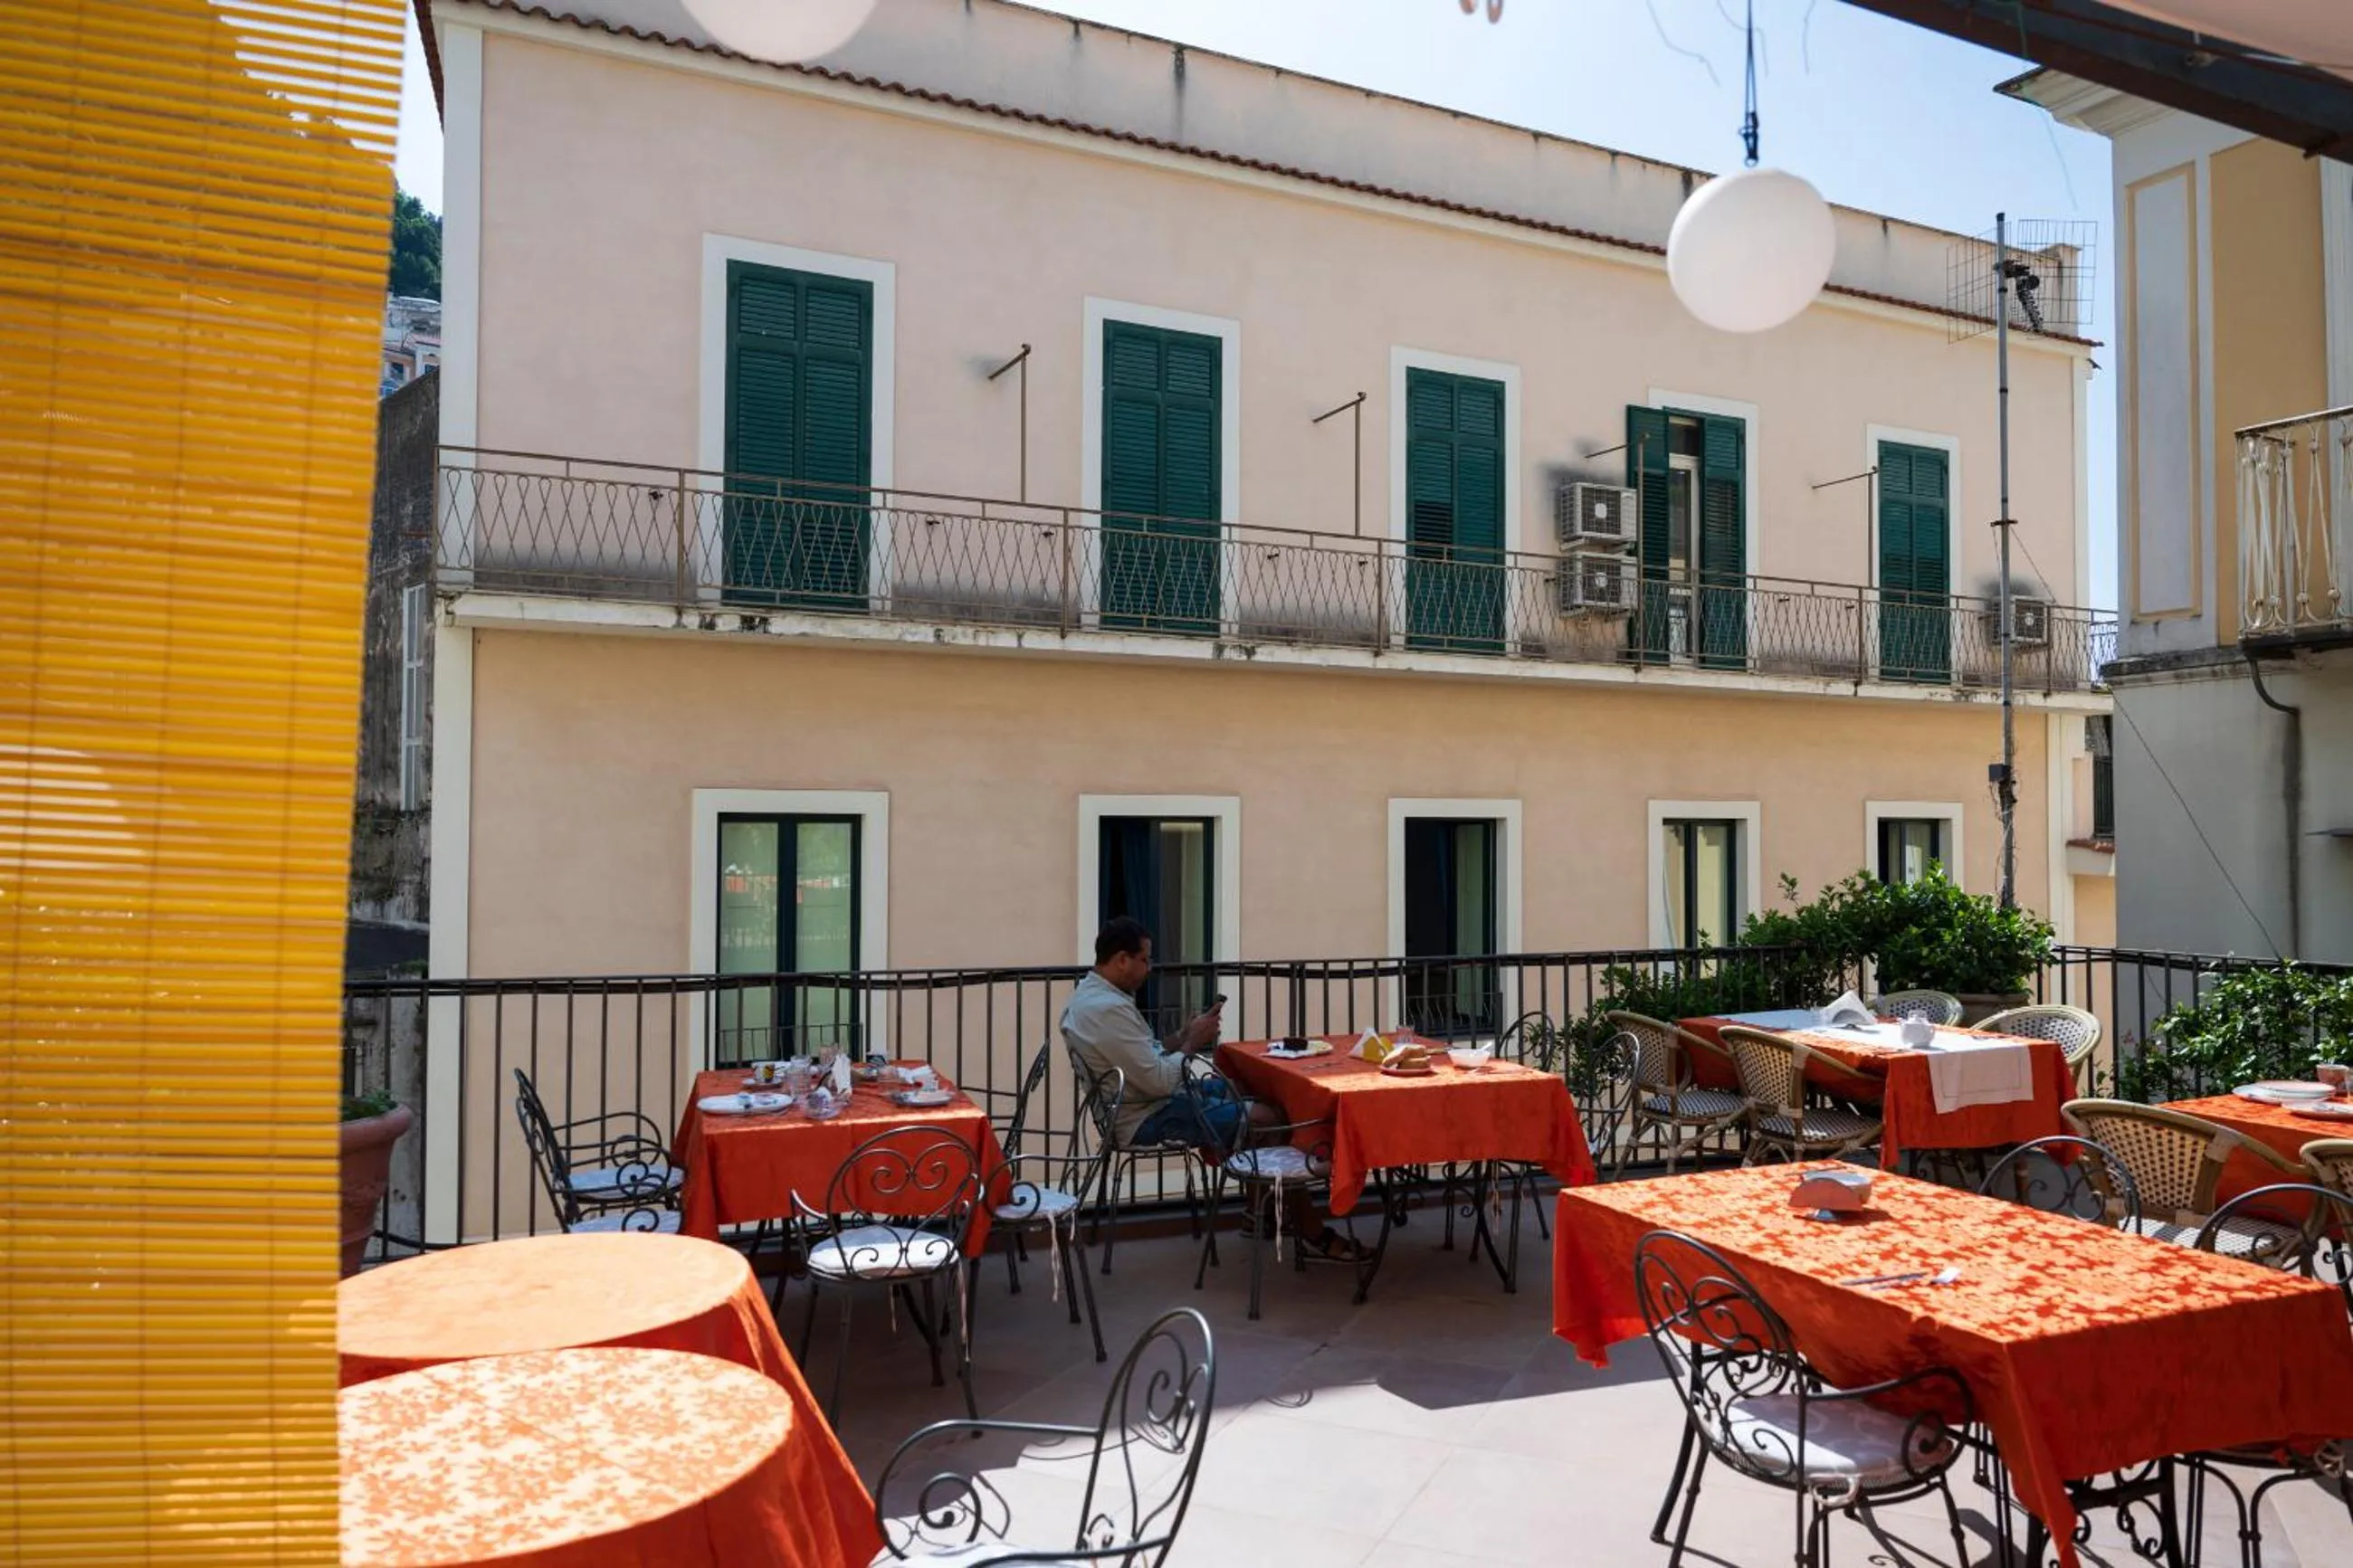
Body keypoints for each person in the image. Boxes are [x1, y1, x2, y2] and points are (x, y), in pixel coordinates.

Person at [1060, 916, 1369, 1262]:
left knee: (1243, 1087)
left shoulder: (1093, 998)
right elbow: (1160, 1080)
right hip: (1146, 1116)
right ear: (1121, 960)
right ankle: (1313, 1232)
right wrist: (1193, 1041)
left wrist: (1182, 1035)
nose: (1150, 968)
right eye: (1145, 959)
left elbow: (1148, 1057)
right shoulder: (1106, 1010)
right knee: (1270, 1118)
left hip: (1146, 1101)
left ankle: (1258, 1214)